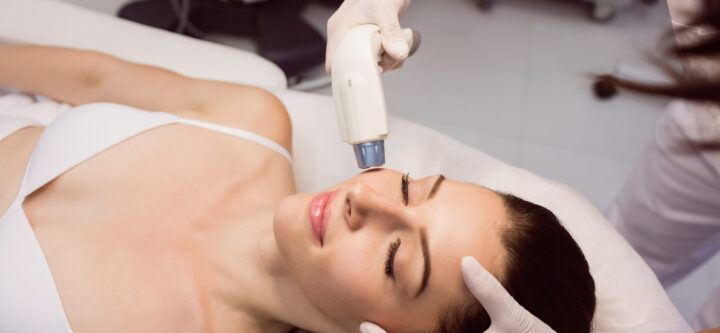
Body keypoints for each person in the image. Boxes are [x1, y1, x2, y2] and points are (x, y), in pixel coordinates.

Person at [0, 45, 595, 332]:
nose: (367, 198)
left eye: (396, 259)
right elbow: (92, 77)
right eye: (412, 188)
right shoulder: (254, 123)